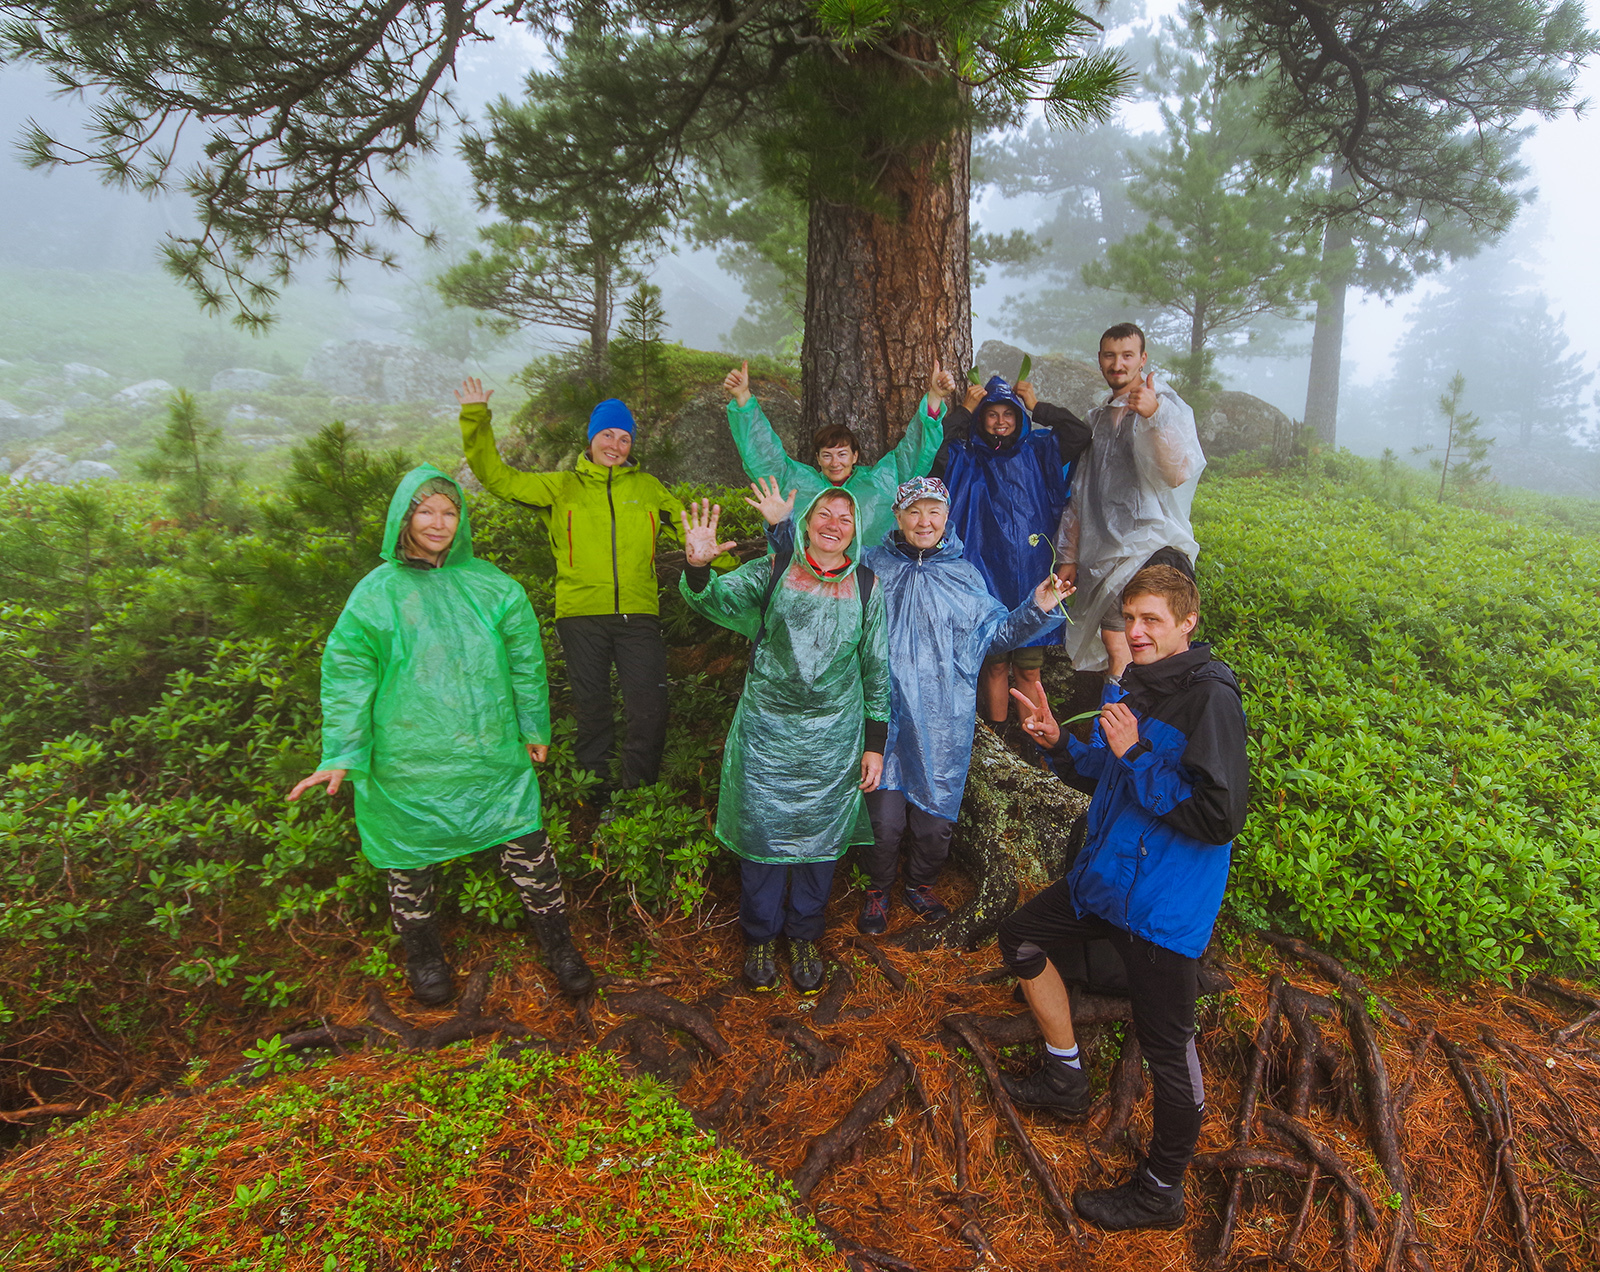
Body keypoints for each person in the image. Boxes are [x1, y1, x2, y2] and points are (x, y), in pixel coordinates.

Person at [995, 565, 1249, 1233]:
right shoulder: (1141, 681)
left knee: (1169, 1050)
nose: (1135, 631)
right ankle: (1065, 1076)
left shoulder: (1209, 700)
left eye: (1152, 621)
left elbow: (1217, 818)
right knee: (1020, 938)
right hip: (1107, 881)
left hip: (1161, 908)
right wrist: (1058, 744)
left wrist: (1135, 752)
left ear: (1187, 624)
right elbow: (1112, 772)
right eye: (1129, 617)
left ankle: (1162, 1189)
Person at [288, 465, 595, 1004]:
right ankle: (424, 957)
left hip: (489, 754)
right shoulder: (375, 595)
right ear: (404, 518)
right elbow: (348, 676)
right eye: (425, 510)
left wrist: (533, 725)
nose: (438, 522)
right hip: (408, 761)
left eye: (449, 511)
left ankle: (561, 948)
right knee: (408, 863)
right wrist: (341, 751)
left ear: (462, 519)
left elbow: (526, 663)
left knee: (529, 848)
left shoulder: (493, 586)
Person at [678, 487, 890, 993]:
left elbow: (877, 669)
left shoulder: (866, 585)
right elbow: (710, 598)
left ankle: (804, 938)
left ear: (855, 530)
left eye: (845, 517)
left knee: (820, 847)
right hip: (766, 734)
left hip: (835, 738)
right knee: (762, 839)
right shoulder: (772, 570)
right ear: (808, 521)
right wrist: (697, 565)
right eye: (824, 513)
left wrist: (875, 742)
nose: (834, 524)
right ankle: (758, 939)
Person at [854, 475, 1074, 932]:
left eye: (934, 511)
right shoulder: (872, 567)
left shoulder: (963, 575)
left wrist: (1038, 606)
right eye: (914, 511)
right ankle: (877, 890)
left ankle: (919, 885)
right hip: (883, 720)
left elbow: (998, 634)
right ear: (897, 516)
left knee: (934, 825)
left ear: (946, 516)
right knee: (885, 822)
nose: (924, 520)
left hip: (941, 722)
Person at [457, 378, 683, 811]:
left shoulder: (648, 488)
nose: (615, 445)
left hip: (639, 614)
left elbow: (694, 532)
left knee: (648, 706)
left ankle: (637, 796)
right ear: (591, 438)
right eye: (607, 435)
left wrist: (727, 560)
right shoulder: (561, 487)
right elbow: (497, 478)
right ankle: (595, 795)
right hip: (580, 615)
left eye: (624, 437)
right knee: (593, 707)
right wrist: (475, 418)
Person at [931, 371, 1091, 739]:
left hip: (1031, 571)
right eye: (991, 414)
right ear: (980, 418)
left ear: (1019, 418)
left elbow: (1080, 434)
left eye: (1009, 414)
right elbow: (933, 449)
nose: (1000, 422)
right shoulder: (965, 455)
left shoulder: (1038, 451)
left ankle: (1035, 737)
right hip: (984, 571)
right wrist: (965, 411)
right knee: (995, 663)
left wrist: (1039, 406)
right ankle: (1001, 735)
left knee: (1030, 666)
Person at [1053, 324, 1206, 679]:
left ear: (1143, 359)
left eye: (1127, 355)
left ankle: (1118, 724)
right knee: (1119, 644)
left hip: (1149, 547)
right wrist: (1068, 556)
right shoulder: (1100, 416)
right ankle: (1120, 720)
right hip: (1104, 550)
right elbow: (1082, 492)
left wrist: (1155, 417)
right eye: (1110, 355)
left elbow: (1178, 471)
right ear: (1100, 359)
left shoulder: (1163, 404)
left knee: (1127, 641)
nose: (1117, 364)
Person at [724, 360, 948, 549]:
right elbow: (764, 453)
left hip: (867, 580)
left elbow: (913, 450)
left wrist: (935, 397)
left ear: (855, 456)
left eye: (842, 454)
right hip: (803, 579)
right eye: (827, 455)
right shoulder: (795, 481)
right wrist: (743, 398)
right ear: (818, 458)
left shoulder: (880, 480)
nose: (835, 463)